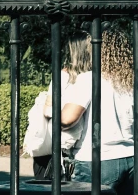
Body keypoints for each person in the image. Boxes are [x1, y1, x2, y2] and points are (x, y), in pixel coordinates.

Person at [62, 28, 135, 195]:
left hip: (97, 158)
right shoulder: (131, 81)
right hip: (131, 157)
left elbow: (67, 119)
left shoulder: (88, 78)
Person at [37, 31, 91, 180]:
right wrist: (67, 118)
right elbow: (47, 110)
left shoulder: (90, 77)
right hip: (57, 150)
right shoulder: (63, 76)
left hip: (76, 149)